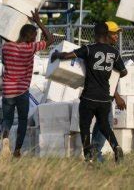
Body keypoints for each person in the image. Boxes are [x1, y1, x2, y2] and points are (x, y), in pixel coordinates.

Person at [51, 22, 128, 163]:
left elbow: (68, 56)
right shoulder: (114, 53)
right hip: (105, 97)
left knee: (85, 126)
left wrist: (57, 54)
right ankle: (116, 146)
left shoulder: (88, 49)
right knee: (104, 125)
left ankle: (89, 158)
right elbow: (124, 72)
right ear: (106, 34)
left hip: (89, 97)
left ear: (95, 35)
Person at [0, 8, 54, 158]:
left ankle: (5, 137)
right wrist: (38, 21)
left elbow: (4, 62)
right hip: (22, 90)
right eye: (35, 36)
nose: (36, 38)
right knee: (22, 120)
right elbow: (50, 39)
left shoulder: (7, 47)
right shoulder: (31, 48)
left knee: (7, 119)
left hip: (8, 90)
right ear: (30, 36)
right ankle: (17, 150)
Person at [92, 21, 127, 162]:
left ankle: (93, 153)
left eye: (117, 33)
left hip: (102, 95)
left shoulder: (102, 50)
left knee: (101, 124)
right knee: (106, 123)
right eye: (114, 33)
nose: (117, 36)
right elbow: (108, 78)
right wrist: (116, 96)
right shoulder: (110, 53)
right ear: (106, 34)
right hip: (104, 96)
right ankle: (95, 155)